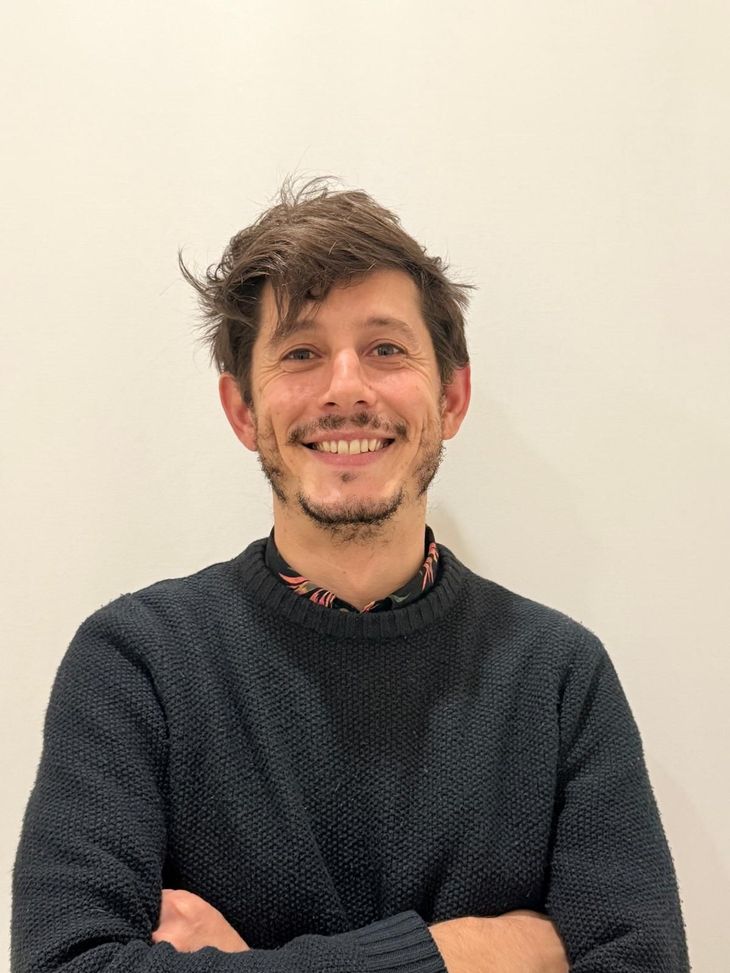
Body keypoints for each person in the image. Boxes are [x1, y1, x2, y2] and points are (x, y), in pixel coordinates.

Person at [11, 179, 690, 973]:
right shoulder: (137, 663)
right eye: (301, 353)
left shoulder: (558, 676)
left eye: (385, 349)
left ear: (452, 396)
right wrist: (465, 951)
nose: (346, 388)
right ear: (242, 410)